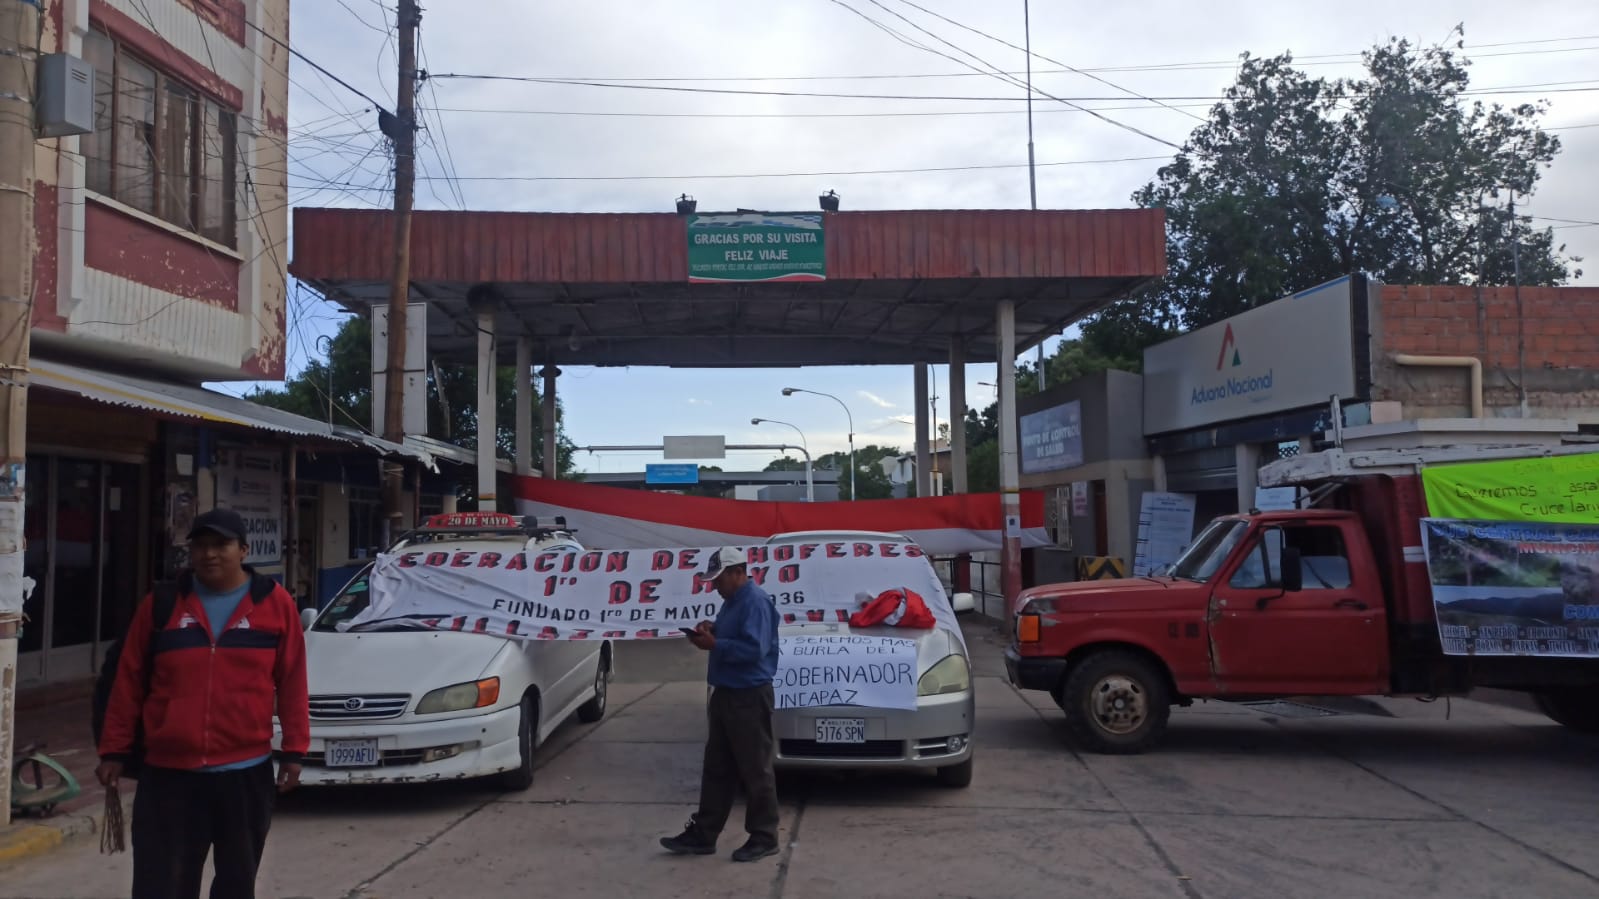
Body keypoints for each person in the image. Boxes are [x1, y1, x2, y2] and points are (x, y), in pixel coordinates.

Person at [96, 507, 311, 899]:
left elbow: (293, 680)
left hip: (244, 775)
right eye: (200, 546)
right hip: (169, 777)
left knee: (236, 884)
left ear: (243, 550)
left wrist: (295, 750)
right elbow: (127, 682)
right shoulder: (161, 604)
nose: (209, 554)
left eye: (221, 544)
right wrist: (114, 749)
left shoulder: (275, 604)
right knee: (161, 886)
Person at [660, 546, 782, 863]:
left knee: (755, 769)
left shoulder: (755, 602)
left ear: (738, 573)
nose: (714, 586)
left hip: (748, 695)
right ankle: (704, 834)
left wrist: (716, 644)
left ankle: (764, 836)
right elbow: (737, 637)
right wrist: (713, 629)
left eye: (718, 579)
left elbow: (754, 649)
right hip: (728, 693)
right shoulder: (733, 601)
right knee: (717, 767)